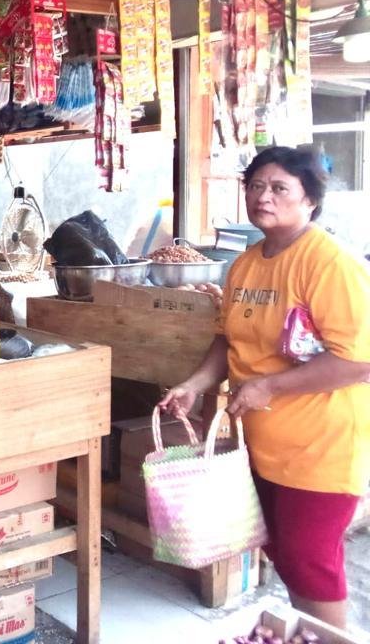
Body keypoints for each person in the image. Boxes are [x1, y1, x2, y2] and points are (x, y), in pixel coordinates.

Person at [159, 146, 370, 629]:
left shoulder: (330, 263)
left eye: (279, 188)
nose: (263, 197)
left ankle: (328, 638)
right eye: (255, 186)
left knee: (309, 558)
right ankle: (302, 634)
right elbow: (227, 338)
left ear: (310, 199)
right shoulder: (245, 264)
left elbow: (358, 360)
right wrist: (195, 383)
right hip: (261, 441)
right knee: (283, 551)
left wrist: (269, 387)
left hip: (322, 444)